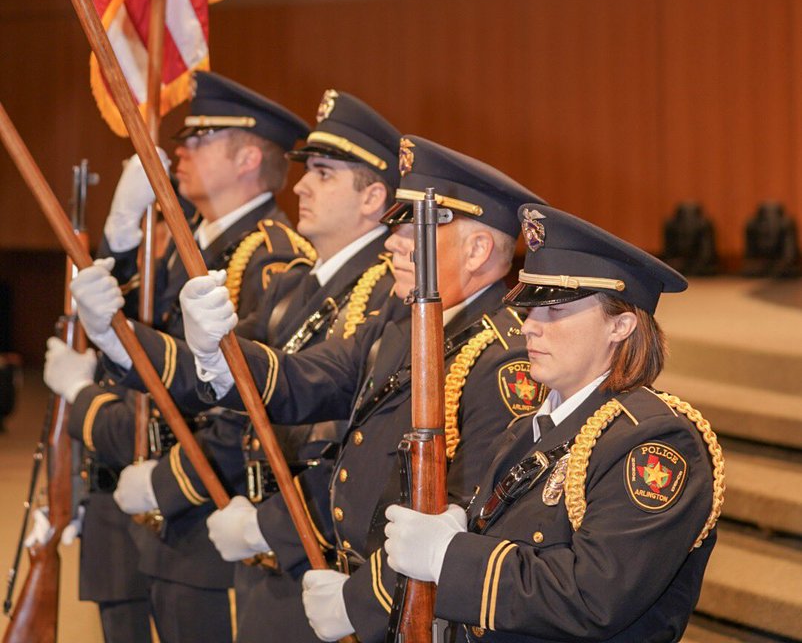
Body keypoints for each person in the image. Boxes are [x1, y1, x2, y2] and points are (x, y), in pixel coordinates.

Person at [177, 136, 548, 643]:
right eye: (396, 222)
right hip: (352, 587)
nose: (392, 239)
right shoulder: (401, 323)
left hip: (410, 611)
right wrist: (217, 353)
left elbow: (470, 515)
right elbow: (304, 381)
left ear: (478, 248)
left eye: (415, 224)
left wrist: (360, 603)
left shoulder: (506, 359)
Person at [44, 71, 310, 643]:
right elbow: (122, 335)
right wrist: (118, 233)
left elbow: (244, 406)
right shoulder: (198, 245)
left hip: (204, 521)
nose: (180, 150)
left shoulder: (271, 259)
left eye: (202, 137)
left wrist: (164, 481)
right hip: (153, 516)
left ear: (246, 160)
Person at [383, 202, 725, 643]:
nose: (529, 326)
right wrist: (462, 533)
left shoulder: (654, 442)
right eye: (529, 309)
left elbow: (593, 599)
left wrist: (452, 557)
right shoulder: (525, 430)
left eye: (555, 311)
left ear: (620, 325)